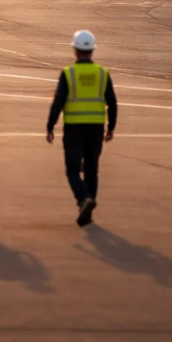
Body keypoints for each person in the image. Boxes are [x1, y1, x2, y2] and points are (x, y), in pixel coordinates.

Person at [46, 30, 118, 227]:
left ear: (75, 50)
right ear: (92, 51)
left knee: (72, 169)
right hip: (96, 129)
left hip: (74, 129)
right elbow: (112, 102)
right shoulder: (102, 73)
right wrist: (111, 127)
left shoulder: (69, 73)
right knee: (92, 170)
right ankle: (88, 208)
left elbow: (58, 101)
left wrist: (50, 125)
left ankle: (82, 199)